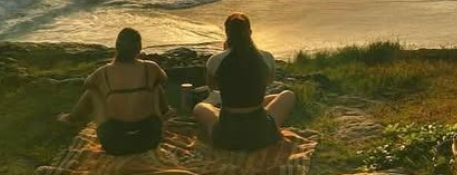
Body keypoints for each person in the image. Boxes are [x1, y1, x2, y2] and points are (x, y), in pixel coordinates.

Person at [193, 13, 296, 151]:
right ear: (250, 32)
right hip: (262, 135)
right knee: (288, 95)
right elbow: (269, 82)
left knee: (200, 107)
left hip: (226, 137)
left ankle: (234, 113)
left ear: (227, 33)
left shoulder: (215, 60)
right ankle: (253, 115)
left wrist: (225, 53)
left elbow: (213, 87)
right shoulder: (266, 57)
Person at [58, 28, 168, 156]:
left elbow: (87, 84)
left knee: (94, 91)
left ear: (117, 47)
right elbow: (163, 79)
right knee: (155, 85)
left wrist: (110, 88)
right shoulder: (150, 66)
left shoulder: (103, 72)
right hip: (150, 140)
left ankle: (71, 118)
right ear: (139, 48)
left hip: (114, 143)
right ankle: (166, 111)